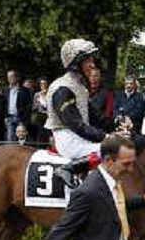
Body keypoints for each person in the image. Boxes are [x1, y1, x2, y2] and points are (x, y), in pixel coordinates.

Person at [46, 39, 107, 188]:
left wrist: (118, 123)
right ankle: (68, 169)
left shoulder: (80, 86)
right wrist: (105, 137)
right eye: (88, 60)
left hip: (79, 135)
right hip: (68, 139)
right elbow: (76, 125)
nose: (92, 64)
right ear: (75, 63)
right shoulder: (62, 88)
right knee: (114, 148)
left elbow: (96, 117)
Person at [5, 69, 32, 142]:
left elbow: (28, 105)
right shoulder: (6, 90)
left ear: (17, 78)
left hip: (21, 118)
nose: (9, 78)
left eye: (11, 76)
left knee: (22, 139)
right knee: (10, 138)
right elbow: (4, 104)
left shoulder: (24, 90)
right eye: (8, 77)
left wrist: (24, 117)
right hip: (10, 118)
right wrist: (5, 117)